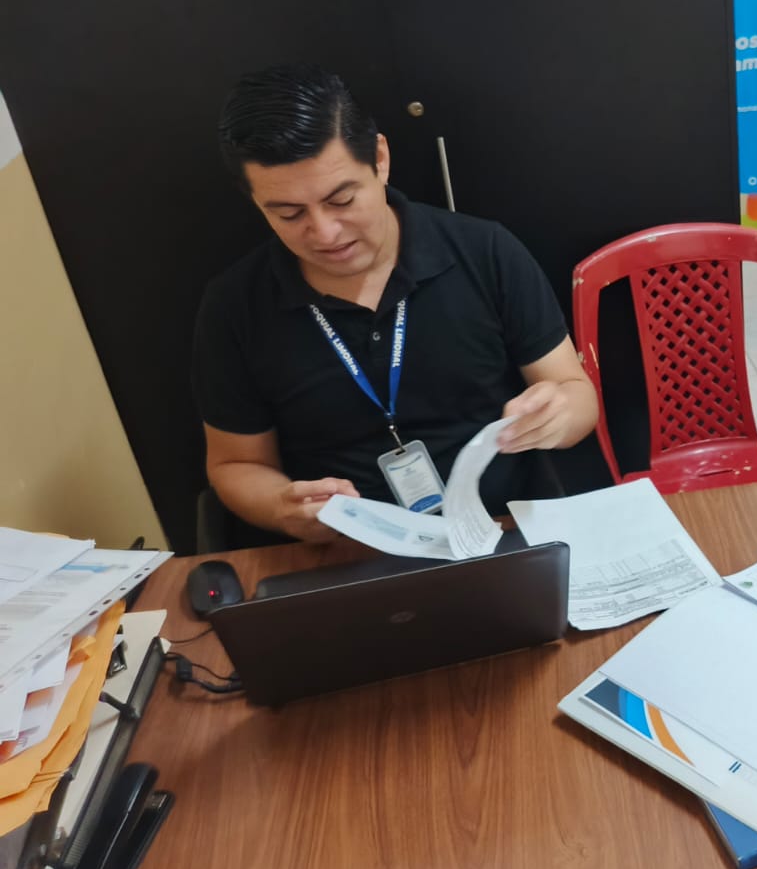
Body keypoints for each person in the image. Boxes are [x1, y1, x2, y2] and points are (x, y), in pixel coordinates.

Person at [193, 64, 598, 542]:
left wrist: (558, 415)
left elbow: (577, 396)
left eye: (342, 200)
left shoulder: (485, 252)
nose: (325, 233)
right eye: (289, 213)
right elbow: (235, 464)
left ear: (380, 159)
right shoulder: (235, 307)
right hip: (348, 551)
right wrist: (282, 508)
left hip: (500, 530)